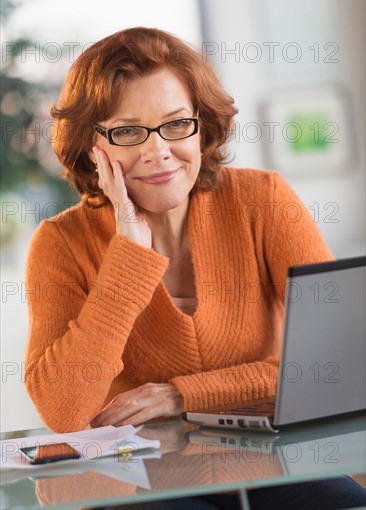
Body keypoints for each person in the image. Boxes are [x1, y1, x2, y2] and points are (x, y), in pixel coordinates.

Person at [24, 27, 366, 509]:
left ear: (201, 125)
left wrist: (183, 394)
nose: (157, 150)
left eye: (176, 123)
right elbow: (64, 410)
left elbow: (339, 363)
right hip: (137, 482)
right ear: (91, 145)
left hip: (275, 467)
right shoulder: (60, 243)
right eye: (126, 132)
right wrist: (127, 260)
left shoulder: (262, 200)